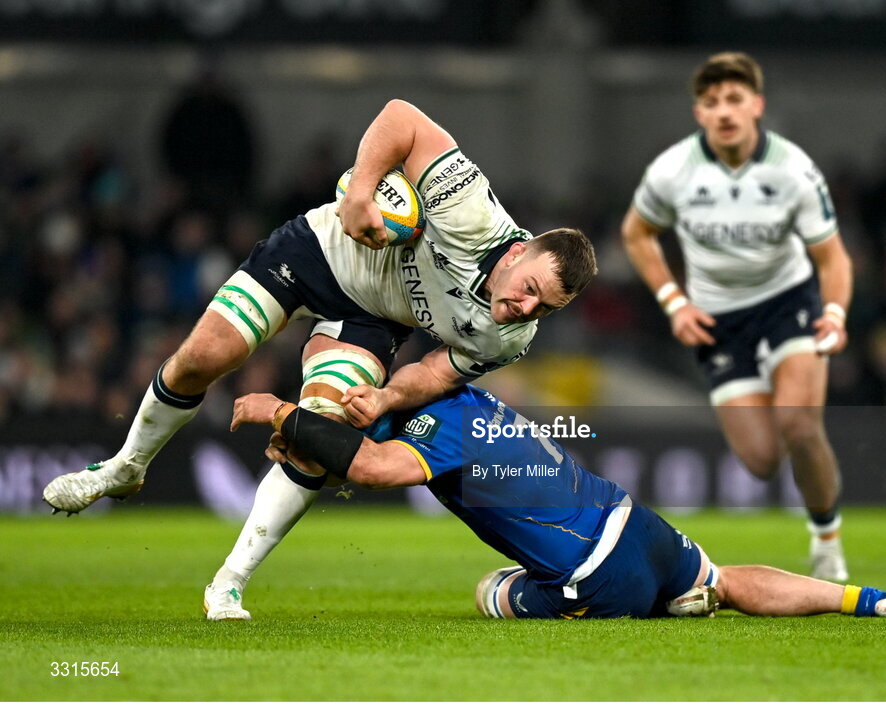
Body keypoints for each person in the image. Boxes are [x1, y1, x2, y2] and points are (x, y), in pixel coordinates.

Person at [44, 97, 597, 556]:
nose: (527, 310)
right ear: (519, 251)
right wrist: (361, 192)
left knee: (318, 434)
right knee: (202, 358)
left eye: (544, 309)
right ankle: (126, 466)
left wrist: (385, 399)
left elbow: (436, 370)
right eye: (530, 290)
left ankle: (229, 583)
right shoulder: (470, 209)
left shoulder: (511, 338)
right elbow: (401, 117)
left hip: (371, 318)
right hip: (318, 252)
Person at [211, 384, 886, 621]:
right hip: (639, 525)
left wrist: (282, 412)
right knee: (721, 577)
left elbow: (370, 469)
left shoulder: (436, 428)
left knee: (488, 592)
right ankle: (870, 601)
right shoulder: (476, 401)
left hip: (592, 575)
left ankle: (655, 604)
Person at [621, 52, 854, 581]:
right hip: (717, 319)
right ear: (698, 113)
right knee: (761, 459)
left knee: (799, 424)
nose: (723, 111)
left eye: (734, 99)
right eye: (711, 102)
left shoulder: (793, 169)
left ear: (757, 106)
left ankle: (826, 539)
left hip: (787, 303)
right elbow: (636, 233)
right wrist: (674, 303)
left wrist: (835, 313)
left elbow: (832, 256)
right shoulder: (672, 170)